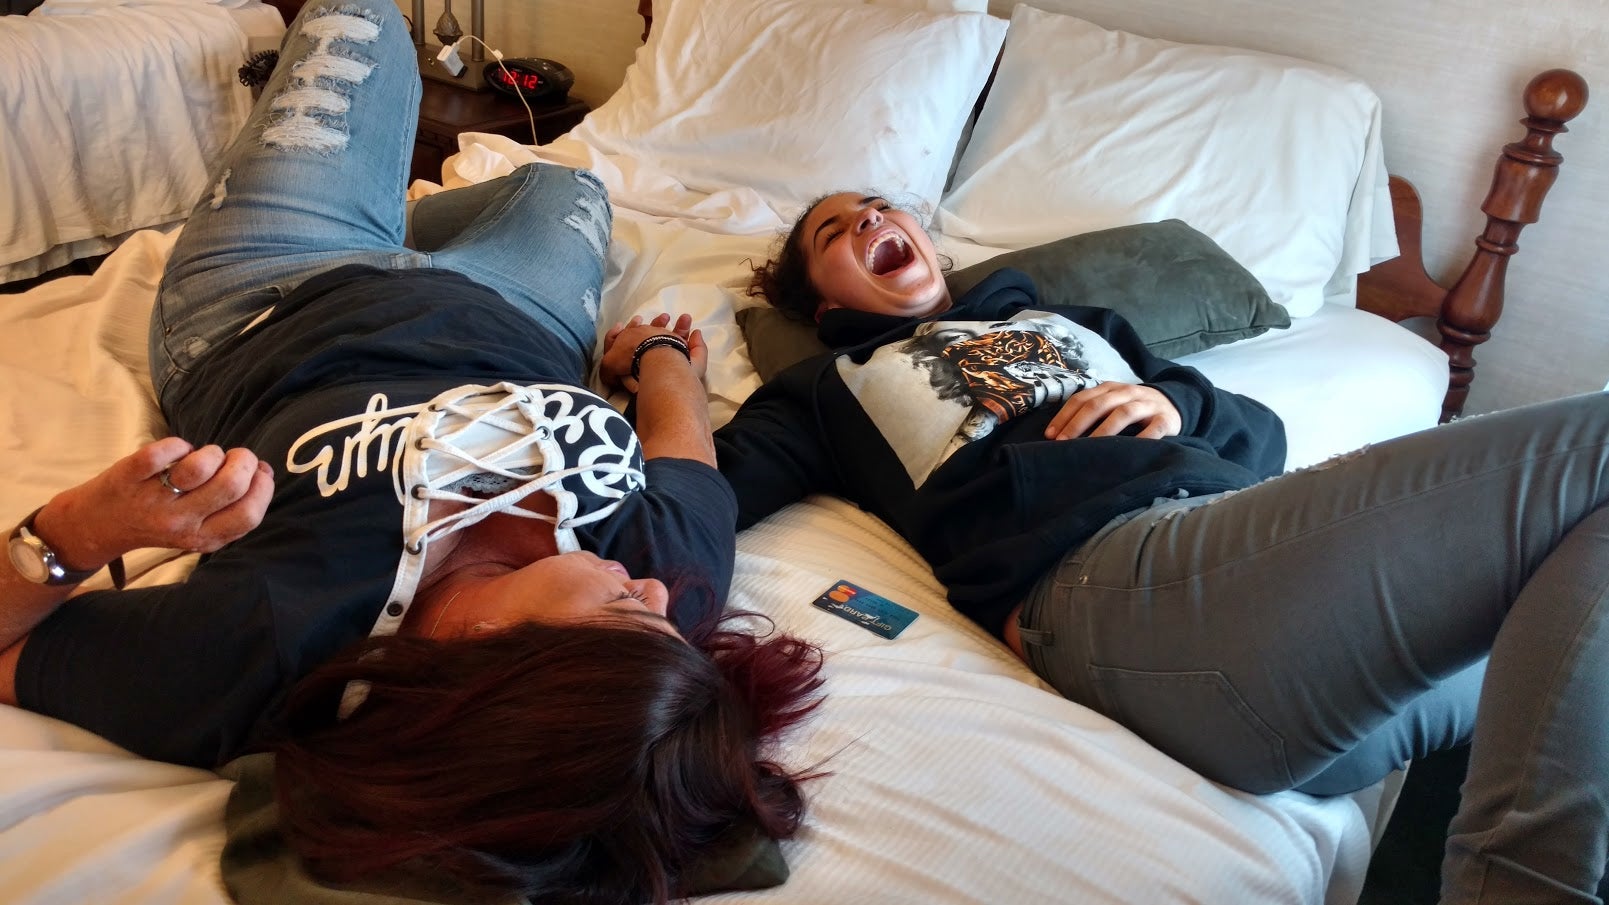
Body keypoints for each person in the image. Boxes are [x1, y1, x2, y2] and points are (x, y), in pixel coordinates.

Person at [0, 2, 823, 902]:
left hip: (273, 294)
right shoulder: (662, 592)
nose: (661, 593)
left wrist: (85, 525)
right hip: (524, 315)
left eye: (630, 612)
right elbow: (686, 455)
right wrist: (661, 359)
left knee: (364, 16)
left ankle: (367, 204)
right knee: (575, 189)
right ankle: (404, 212)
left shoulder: (266, 643)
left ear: (497, 652)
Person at [694, 191, 1609, 904]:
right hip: (1112, 587)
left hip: (1247, 600)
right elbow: (700, 501)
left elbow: (1257, 431)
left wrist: (1177, 405)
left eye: (882, 206)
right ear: (821, 302)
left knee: (1562, 617)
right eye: (833, 231)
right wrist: (664, 367)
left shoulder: (1066, 323)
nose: (870, 217)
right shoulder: (827, 383)